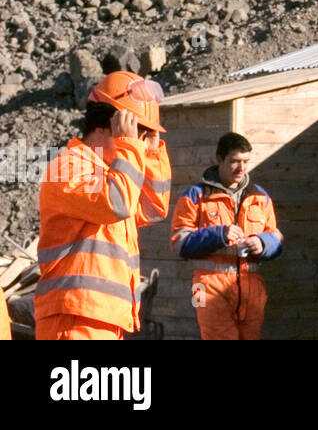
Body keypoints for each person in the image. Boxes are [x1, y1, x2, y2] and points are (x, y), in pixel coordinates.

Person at [35, 71, 171, 340]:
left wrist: (152, 152)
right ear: (104, 127)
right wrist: (129, 146)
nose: (138, 144)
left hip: (104, 317)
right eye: (135, 132)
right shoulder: (69, 167)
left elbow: (154, 207)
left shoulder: (117, 174)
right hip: (75, 317)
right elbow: (116, 204)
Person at [171, 132, 283, 340]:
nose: (241, 168)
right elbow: (178, 243)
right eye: (235, 161)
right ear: (220, 159)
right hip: (205, 287)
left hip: (252, 288)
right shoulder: (196, 195)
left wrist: (263, 243)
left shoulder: (260, 196)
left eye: (246, 162)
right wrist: (218, 234)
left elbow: (276, 237)